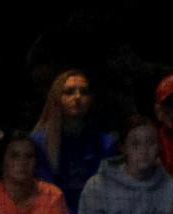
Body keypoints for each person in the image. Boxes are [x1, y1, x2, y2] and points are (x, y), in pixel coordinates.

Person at [76, 116, 173, 214]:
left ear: (159, 146)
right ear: (123, 147)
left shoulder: (172, 188)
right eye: (135, 144)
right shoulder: (96, 187)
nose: (143, 151)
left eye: (150, 142)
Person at [30, 69, 113, 200]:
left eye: (84, 92)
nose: (77, 97)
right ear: (56, 98)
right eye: (69, 92)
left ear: (91, 100)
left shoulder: (106, 143)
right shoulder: (39, 143)